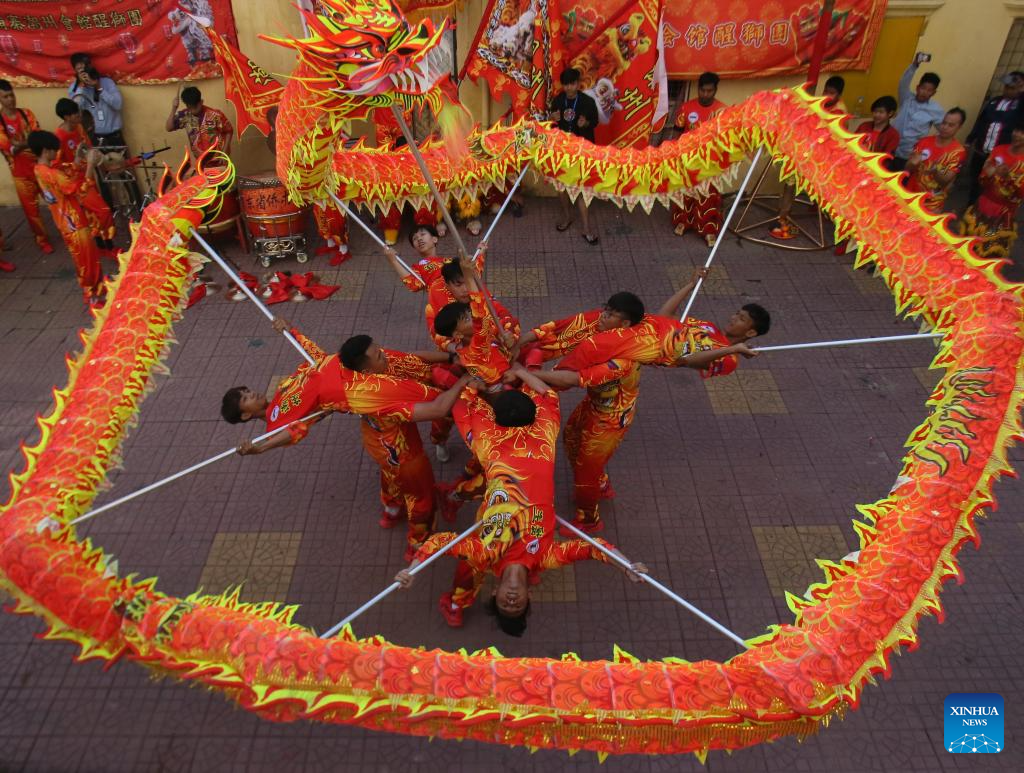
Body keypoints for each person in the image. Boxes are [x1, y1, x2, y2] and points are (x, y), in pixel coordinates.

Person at [395, 376, 648, 633]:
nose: (511, 602)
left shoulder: (485, 553)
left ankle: (457, 600)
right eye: (517, 606)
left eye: (505, 605)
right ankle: (458, 598)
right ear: (529, 596)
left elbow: (439, 543)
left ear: (495, 592)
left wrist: (413, 569)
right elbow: (594, 549)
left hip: (488, 513)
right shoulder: (547, 555)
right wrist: (626, 566)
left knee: (468, 571)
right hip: (509, 462)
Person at [221, 323, 473, 559]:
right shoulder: (366, 394)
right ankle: (418, 541)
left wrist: (293, 331)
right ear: (365, 370)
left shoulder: (332, 378)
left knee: (390, 476)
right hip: (401, 450)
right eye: (378, 356)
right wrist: (261, 447)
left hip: (379, 439)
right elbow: (298, 428)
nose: (385, 356)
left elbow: (317, 362)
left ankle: (391, 510)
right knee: (420, 495)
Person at [524, 292, 646, 534]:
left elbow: (574, 378)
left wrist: (527, 374)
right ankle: (599, 482)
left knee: (583, 473)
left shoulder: (624, 359)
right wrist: (520, 342)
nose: (602, 316)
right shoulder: (601, 324)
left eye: (610, 315)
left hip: (611, 420)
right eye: (605, 309)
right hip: (594, 404)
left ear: (624, 325)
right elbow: (558, 329)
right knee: (571, 437)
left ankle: (589, 519)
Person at [559, 269, 766, 376]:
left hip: (643, 346)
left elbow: (690, 360)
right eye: (736, 314)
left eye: (741, 319)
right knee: (580, 324)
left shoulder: (729, 360)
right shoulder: (709, 327)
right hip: (642, 325)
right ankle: (536, 342)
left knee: (585, 355)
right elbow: (665, 316)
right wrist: (690, 285)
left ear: (750, 333)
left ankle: (545, 380)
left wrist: (733, 349)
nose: (733, 318)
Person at [27, 131, 104, 306]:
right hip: (74, 222)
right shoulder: (53, 174)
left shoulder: (39, 170)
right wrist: (90, 166)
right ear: (46, 151)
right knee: (88, 259)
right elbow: (79, 189)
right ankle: (92, 295)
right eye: (54, 150)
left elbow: (67, 174)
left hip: (64, 222)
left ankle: (96, 289)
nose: (56, 153)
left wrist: (77, 160)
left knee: (82, 258)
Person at [770, 76, 846, 240]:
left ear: (839, 95)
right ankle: (784, 212)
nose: (827, 94)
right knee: (789, 180)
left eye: (831, 93)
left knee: (792, 182)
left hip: (820, 157)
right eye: (826, 90)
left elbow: (829, 137)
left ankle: (784, 215)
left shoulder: (839, 112)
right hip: (804, 151)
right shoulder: (818, 103)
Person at [671, 72, 727, 246]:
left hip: (710, 163)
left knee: (708, 197)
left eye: (709, 91)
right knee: (685, 194)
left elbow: (726, 139)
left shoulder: (722, 111)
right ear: (698, 89)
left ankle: (708, 230)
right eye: (702, 90)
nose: (705, 94)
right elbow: (676, 133)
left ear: (715, 90)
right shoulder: (686, 108)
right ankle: (683, 222)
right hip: (688, 161)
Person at [54, 98, 116, 256]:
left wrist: (101, 163)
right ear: (67, 117)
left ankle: (104, 245)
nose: (79, 117)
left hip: (88, 176)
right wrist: (75, 162)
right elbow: (57, 167)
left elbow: (89, 148)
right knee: (104, 212)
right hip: (77, 184)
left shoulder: (79, 128)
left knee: (95, 215)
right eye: (75, 115)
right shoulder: (59, 138)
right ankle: (107, 245)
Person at [0, 80, 53, 255]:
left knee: (54, 200)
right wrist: (26, 143)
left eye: (11, 95)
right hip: (20, 174)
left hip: (39, 168)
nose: (10, 100)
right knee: (32, 211)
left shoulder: (26, 114)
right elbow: (10, 148)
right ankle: (42, 239)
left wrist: (21, 144)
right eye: (5, 97)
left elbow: (36, 138)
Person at [549, 67, 600, 245]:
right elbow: (551, 124)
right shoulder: (558, 100)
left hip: (582, 152)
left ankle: (586, 228)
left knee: (581, 189)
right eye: (566, 85)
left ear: (578, 84)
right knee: (561, 187)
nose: (569, 88)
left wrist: (586, 123)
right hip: (562, 152)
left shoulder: (587, 102)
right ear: (563, 85)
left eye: (572, 84)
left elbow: (595, 121)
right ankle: (567, 217)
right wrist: (552, 118)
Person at [959, 121, 1024, 257]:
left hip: (1003, 214)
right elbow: (982, 181)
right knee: (966, 246)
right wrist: (988, 175)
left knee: (988, 251)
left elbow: (1021, 194)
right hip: (982, 206)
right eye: (1017, 130)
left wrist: (1008, 178)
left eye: (1022, 133)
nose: (1018, 135)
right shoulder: (999, 150)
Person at [965, 71, 1024, 204]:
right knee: (976, 180)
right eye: (1006, 87)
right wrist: (970, 140)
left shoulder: (1020, 106)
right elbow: (981, 121)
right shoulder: (994, 101)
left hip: (1001, 155)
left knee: (996, 184)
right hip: (981, 151)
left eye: (1012, 88)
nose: (1008, 90)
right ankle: (971, 207)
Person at [904, 108, 967, 214]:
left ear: (959, 127)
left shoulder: (958, 152)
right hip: (909, 196)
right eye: (944, 123)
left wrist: (936, 169)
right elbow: (907, 169)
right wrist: (911, 163)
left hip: (931, 204)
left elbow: (945, 181)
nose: (945, 127)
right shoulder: (924, 141)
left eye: (951, 125)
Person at [891, 55, 945, 171]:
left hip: (909, 157)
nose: (925, 92)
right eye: (923, 88)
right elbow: (903, 83)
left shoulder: (935, 110)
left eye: (929, 90)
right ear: (917, 87)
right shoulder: (906, 98)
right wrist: (914, 65)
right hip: (890, 149)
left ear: (933, 93)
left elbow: (944, 130)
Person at [165, 86, 233, 164]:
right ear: (187, 106)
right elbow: (168, 128)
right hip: (200, 161)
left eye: (195, 107)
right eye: (190, 108)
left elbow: (229, 131)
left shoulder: (215, 115)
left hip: (219, 159)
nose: (193, 111)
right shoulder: (185, 116)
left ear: (201, 102)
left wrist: (224, 153)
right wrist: (174, 108)